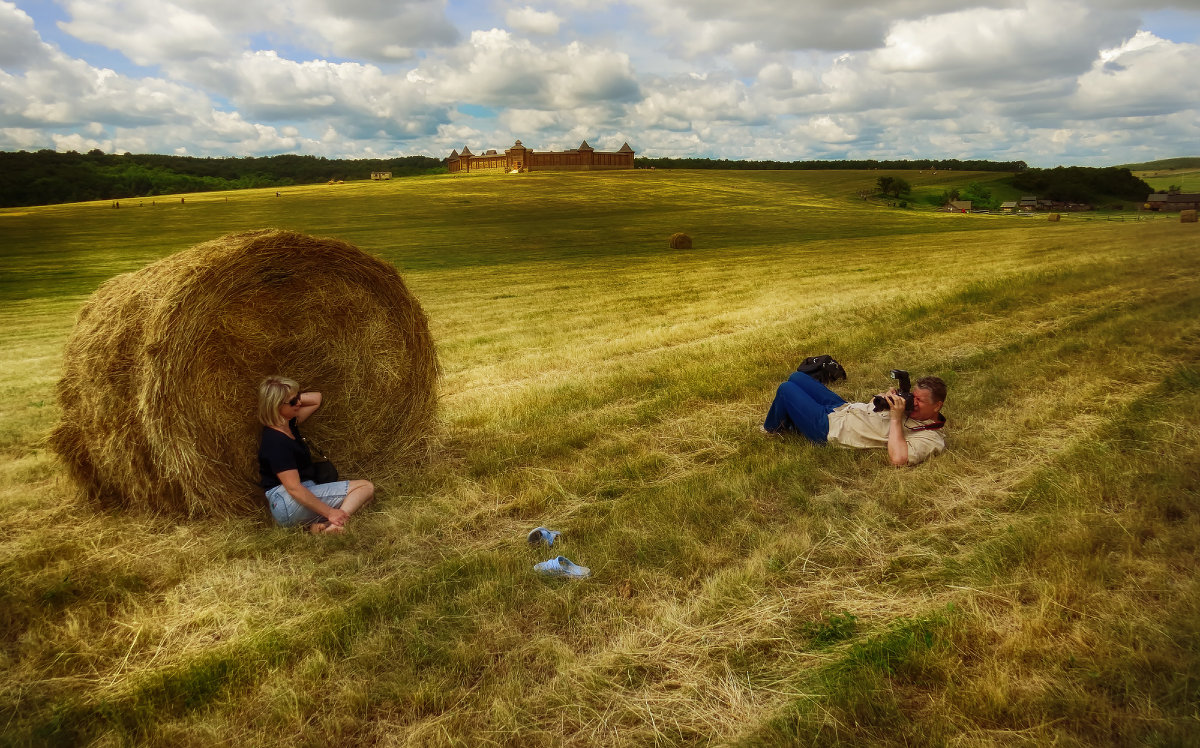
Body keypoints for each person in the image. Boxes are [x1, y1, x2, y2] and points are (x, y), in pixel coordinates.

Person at [257, 376, 375, 533]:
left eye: (298, 397)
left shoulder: (290, 424)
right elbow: (294, 489)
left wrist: (290, 395)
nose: (299, 403)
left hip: (291, 502)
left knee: (363, 499)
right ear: (275, 405)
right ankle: (335, 524)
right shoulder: (275, 442)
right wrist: (330, 512)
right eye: (293, 402)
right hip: (287, 500)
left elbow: (316, 399)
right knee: (365, 487)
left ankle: (317, 527)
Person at [763, 371, 947, 466]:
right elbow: (871, 409)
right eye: (913, 397)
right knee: (797, 377)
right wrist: (884, 399)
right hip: (843, 408)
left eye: (920, 401)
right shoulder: (909, 408)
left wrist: (896, 418)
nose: (913, 403)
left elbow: (899, 459)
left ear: (937, 405)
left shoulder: (931, 438)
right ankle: (790, 420)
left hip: (831, 428)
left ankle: (772, 429)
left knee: (787, 389)